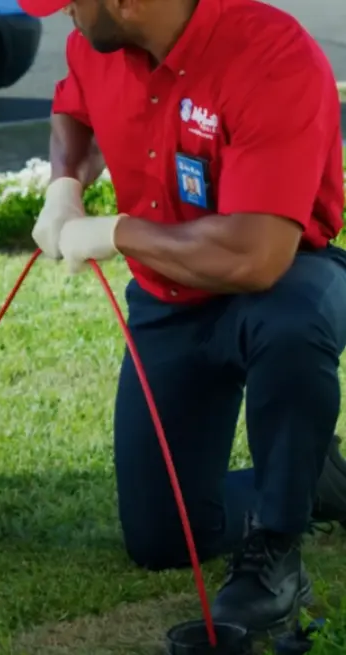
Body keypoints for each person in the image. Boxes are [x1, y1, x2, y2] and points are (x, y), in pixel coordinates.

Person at [24, 0, 346, 637]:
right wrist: (65, 182)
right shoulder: (98, 43)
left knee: (290, 326)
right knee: (161, 539)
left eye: (69, 4)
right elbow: (74, 105)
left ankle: (275, 555)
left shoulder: (272, 57)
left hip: (283, 275)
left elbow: (255, 256)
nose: (62, 17)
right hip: (169, 301)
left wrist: (118, 231)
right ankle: (317, 478)